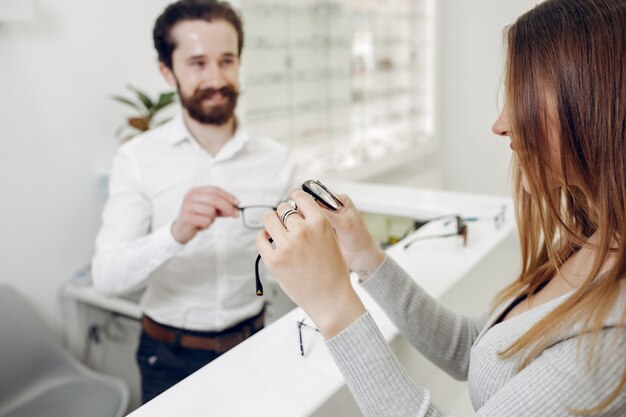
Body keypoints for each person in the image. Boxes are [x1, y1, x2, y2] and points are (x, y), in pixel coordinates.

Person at [256, 0, 626, 415]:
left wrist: (333, 306)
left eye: (522, 98)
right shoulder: (593, 241)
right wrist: (364, 255)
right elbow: (474, 348)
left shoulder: (614, 339)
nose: (500, 123)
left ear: (595, 104)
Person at [92, 0, 293, 403]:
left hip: (254, 345)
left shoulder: (278, 160)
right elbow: (107, 277)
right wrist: (176, 233)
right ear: (167, 71)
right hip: (168, 358)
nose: (217, 78)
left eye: (227, 60)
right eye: (198, 63)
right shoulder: (137, 158)